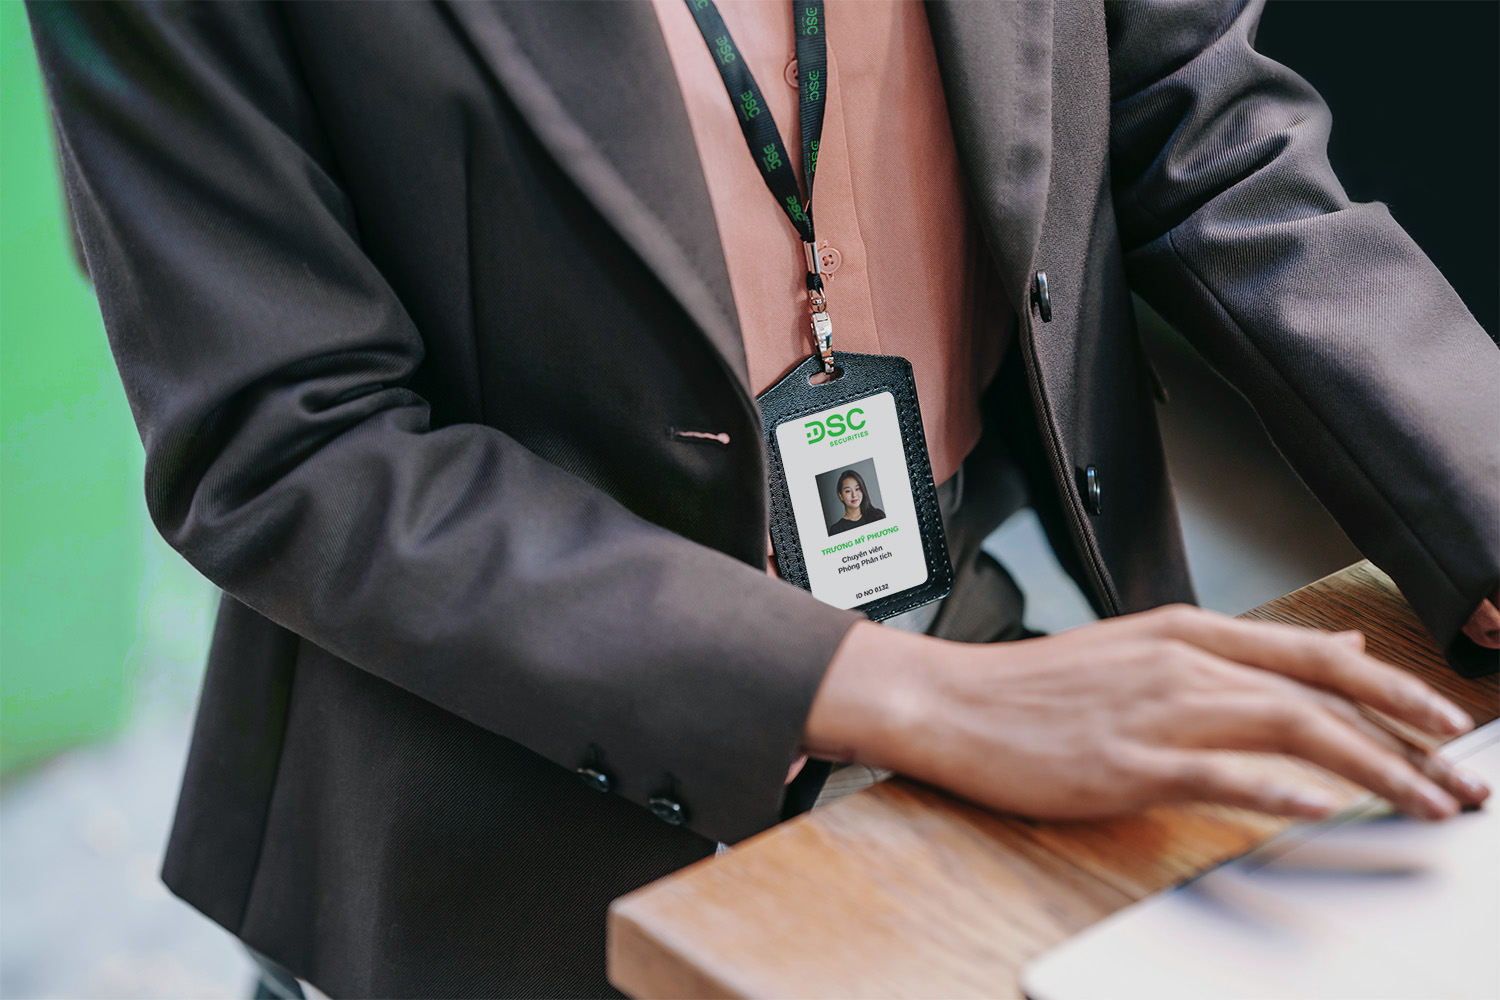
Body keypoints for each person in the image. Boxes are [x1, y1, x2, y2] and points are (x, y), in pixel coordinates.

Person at [27, 1, 1497, 996]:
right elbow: (294, 444)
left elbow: (1203, 124)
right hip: (485, 818)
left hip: (972, 653)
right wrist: (913, 697)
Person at [827, 470, 886, 536]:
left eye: (857, 489)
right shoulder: (836, 530)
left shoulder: (878, 516)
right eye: (848, 491)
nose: (854, 495)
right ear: (841, 496)